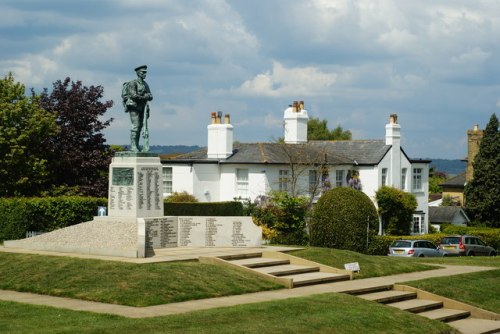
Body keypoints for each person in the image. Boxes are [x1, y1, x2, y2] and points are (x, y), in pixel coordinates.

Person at [123, 65, 153, 152]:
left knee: (140, 127)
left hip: (142, 107)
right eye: (142, 72)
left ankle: (137, 145)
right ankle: (133, 146)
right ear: (138, 73)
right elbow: (134, 95)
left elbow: (151, 96)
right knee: (135, 126)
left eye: (145, 72)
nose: (144, 74)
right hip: (134, 106)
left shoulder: (145, 84)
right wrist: (145, 97)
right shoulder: (133, 83)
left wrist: (147, 96)